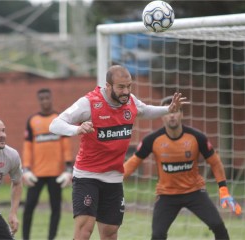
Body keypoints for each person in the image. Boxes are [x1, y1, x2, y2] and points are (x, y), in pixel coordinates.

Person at [49, 65, 189, 240]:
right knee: (85, 230)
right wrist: (76, 130)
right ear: (108, 86)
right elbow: (54, 124)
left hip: (114, 177)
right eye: (121, 87)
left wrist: (168, 109)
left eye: (129, 86)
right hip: (87, 175)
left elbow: (145, 110)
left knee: (110, 232)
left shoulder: (130, 101)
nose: (126, 91)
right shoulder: (89, 103)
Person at [124, 95, 242, 240]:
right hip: (166, 195)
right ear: (162, 116)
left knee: (218, 226)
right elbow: (133, 163)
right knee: (157, 235)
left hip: (195, 192)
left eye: (176, 111)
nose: (172, 116)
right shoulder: (152, 140)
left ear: (182, 114)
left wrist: (223, 191)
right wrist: (113, 181)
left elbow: (215, 162)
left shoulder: (197, 137)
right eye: (168, 112)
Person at [22, 88, 74, 240]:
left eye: (47, 98)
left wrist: (68, 169)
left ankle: (51, 238)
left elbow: (66, 146)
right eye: (42, 99)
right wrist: (26, 168)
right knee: (28, 208)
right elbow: (27, 147)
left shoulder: (59, 119)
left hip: (56, 174)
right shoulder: (32, 120)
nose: (45, 101)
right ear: (39, 100)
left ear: (51, 99)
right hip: (36, 174)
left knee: (56, 209)